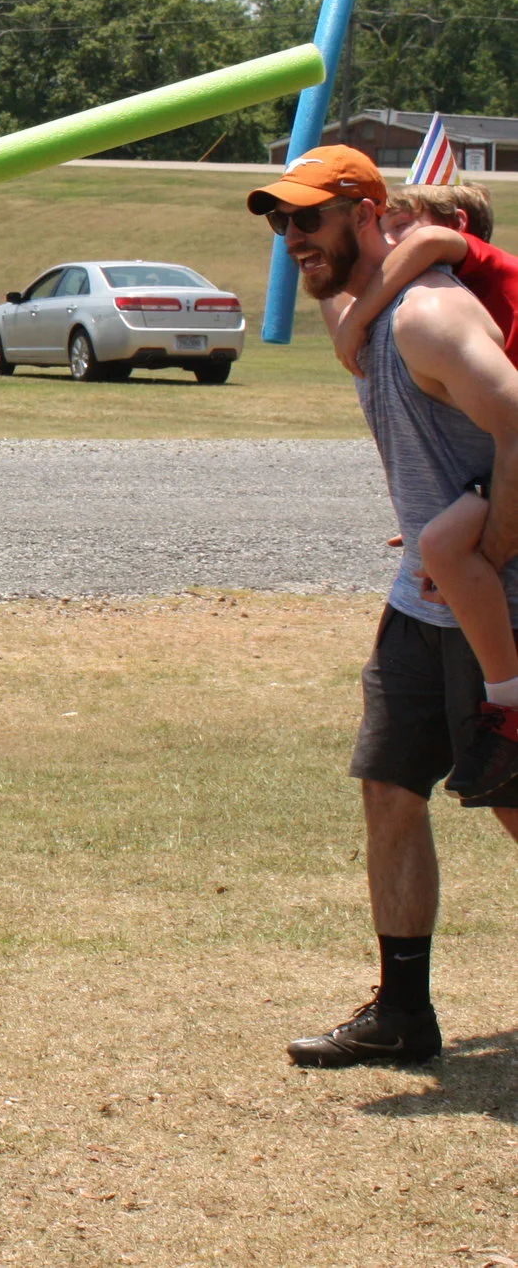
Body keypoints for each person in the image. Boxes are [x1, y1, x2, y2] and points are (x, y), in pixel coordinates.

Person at [256, 146, 518, 1068]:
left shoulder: (429, 315)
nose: (292, 240)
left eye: (309, 220)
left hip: (500, 594)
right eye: (281, 224)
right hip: (424, 605)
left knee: (517, 804)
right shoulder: (363, 312)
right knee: (390, 789)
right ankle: (404, 1012)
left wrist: (487, 548)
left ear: (368, 214)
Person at [324, 182, 518, 800]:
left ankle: (509, 707)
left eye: (400, 224)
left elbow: (428, 241)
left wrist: (354, 321)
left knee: (446, 549)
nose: (394, 242)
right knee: (439, 543)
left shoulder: (464, 263)